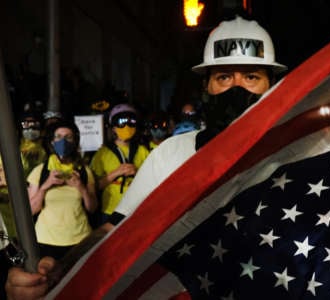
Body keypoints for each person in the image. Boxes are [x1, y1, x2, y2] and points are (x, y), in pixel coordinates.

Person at [5, 16, 287, 299]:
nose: (236, 87)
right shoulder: (172, 153)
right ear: (207, 86)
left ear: (271, 84)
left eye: (251, 76)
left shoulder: (299, 147)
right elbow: (114, 230)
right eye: (223, 77)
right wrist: (59, 274)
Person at [27, 119, 98, 259]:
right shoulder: (40, 171)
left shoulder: (84, 171)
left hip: (79, 239)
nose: (63, 141)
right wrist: (45, 186)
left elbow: (92, 208)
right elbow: (31, 210)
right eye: (58, 137)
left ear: (74, 141)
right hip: (45, 240)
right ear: (52, 142)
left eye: (68, 137)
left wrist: (81, 188)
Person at [90, 103, 150, 224]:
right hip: (110, 210)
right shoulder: (103, 154)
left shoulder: (143, 151)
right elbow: (94, 187)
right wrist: (116, 173)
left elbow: (152, 182)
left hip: (136, 208)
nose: (126, 126)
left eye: (131, 122)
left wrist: (138, 173)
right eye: (121, 122)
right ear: (113, 128)